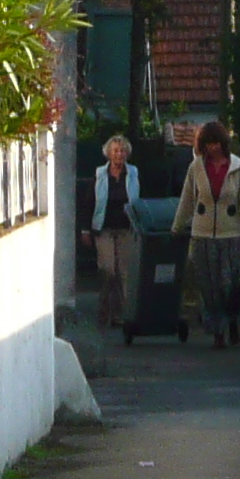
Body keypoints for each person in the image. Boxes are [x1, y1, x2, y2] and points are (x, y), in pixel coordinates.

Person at [171, 120, 240, 347]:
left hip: (231, 235)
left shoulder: (239, 169)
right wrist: (177, 225)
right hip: (202, 235)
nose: (213, 148)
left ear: (224, 144)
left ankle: (231, 320)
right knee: (208, 286)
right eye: (209, 144)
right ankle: (217, 331)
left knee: (227, 283)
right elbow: (188, 199)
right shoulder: (196, 168)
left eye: (217, 144)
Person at [90, 135, 145, 335]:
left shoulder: (134, 174)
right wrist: (86, 230)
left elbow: (138, 200)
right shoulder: (99, 175)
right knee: (107, 270)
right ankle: (104, 312)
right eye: (115, 151)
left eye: (122, 151)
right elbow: (90, 201)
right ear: (108, 153)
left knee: (124, 272)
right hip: (104, 228)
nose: (119, 154)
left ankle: (122, 315)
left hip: (126, 228)